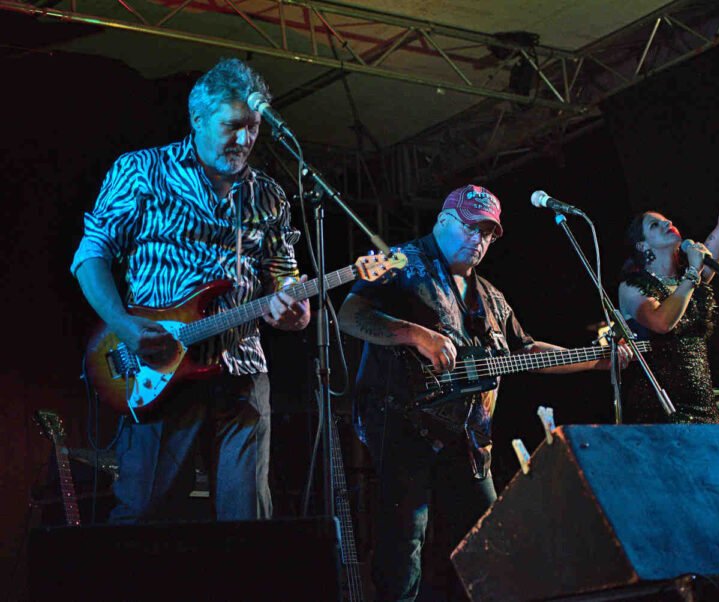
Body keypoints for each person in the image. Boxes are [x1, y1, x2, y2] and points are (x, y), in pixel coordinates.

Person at [338, 184, 632, 601]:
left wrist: (596, 360)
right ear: (443, 221)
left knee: (486, 543)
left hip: (470, 440)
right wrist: (414, 334)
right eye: (473, 228)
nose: (481, 240)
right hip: (404, 426)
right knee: (404, 544)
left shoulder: (491, 297)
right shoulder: (401, 262)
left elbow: (527, 350)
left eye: (490, 233)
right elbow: (350, 316)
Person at [71, 58, 311, 523]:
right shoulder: (142, 171)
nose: (244, 140)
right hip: (158, 367)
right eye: (232, 126)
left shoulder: (270, 196)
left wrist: (294, 310)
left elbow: (285, 277)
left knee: (251, 523)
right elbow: (90, 256)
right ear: (197, 119)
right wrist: (124, 325)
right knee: (146, 518)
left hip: (242, 369)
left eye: (254, 127)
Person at [618, 120, 719, 424]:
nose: (669, 224)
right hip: (659, 411)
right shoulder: (632, 288)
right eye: (657, 225)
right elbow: (660, 322)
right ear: (643, 246)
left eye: (668, 220)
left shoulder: (692, 278)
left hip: (703, 407)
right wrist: (693, 271)